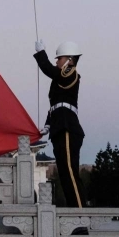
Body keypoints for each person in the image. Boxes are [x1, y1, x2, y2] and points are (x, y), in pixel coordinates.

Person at [34, 40, 85, 208]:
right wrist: (48, 125)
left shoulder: (70, 72)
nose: (57, 62)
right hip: (59, 127)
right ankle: (74, 211)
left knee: (70, 171)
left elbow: (52, 72)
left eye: (59, 58)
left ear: (69, 59)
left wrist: (42, 55)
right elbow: (55, 106)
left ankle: (80, 215)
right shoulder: (59, 80)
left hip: (68, 127)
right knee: (64, 173)